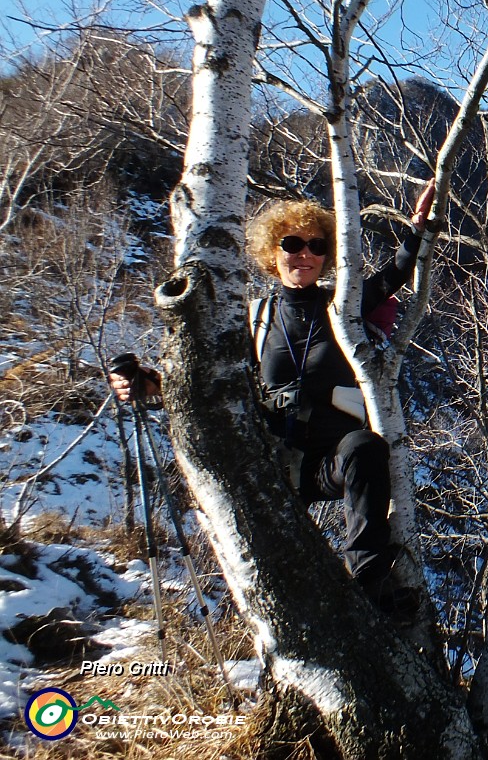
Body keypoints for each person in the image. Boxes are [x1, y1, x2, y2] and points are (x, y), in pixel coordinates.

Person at [109, 181, 435, 613]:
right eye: (292, 242)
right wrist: (152, 384)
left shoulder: (344, 305)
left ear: (327, 254)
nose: (305, 253)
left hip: (330, 461)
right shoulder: (255, 319)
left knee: (366, 448)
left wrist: (420, 228)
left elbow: (398, 271)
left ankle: (369, 581)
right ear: (272, 252)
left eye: (316, 245)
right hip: (274, 463)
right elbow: (211, 382)